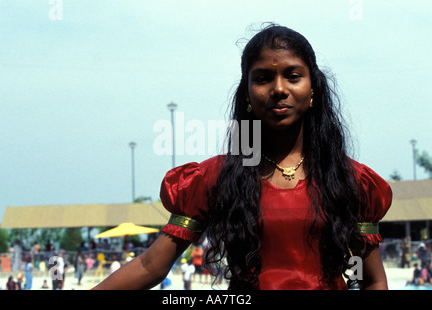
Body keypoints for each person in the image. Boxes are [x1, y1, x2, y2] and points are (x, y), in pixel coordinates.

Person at [93, 24, 392, 290]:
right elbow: (150, 266)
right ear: (247, 94)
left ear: (312, 87)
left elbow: (373, 280)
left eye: (293, 76)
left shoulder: (348, 180)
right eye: (263, 78)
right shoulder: (216, 177)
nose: (278, 89)